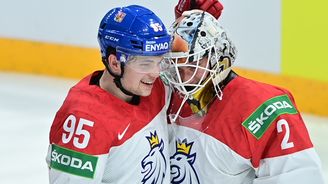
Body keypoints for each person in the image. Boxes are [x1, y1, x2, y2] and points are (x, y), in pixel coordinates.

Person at [160, 10, 325, 183]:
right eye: (177, 69)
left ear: (219, 58)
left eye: (193, 67)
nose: (184, 80)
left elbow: (300, 177)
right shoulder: (165, 96)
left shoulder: (263, 108)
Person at [46, 5, 172, 183]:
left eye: (160, 61)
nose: (156, 73)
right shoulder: (85, 120)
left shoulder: (154, 87)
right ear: (114, 63)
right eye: (145, 64)